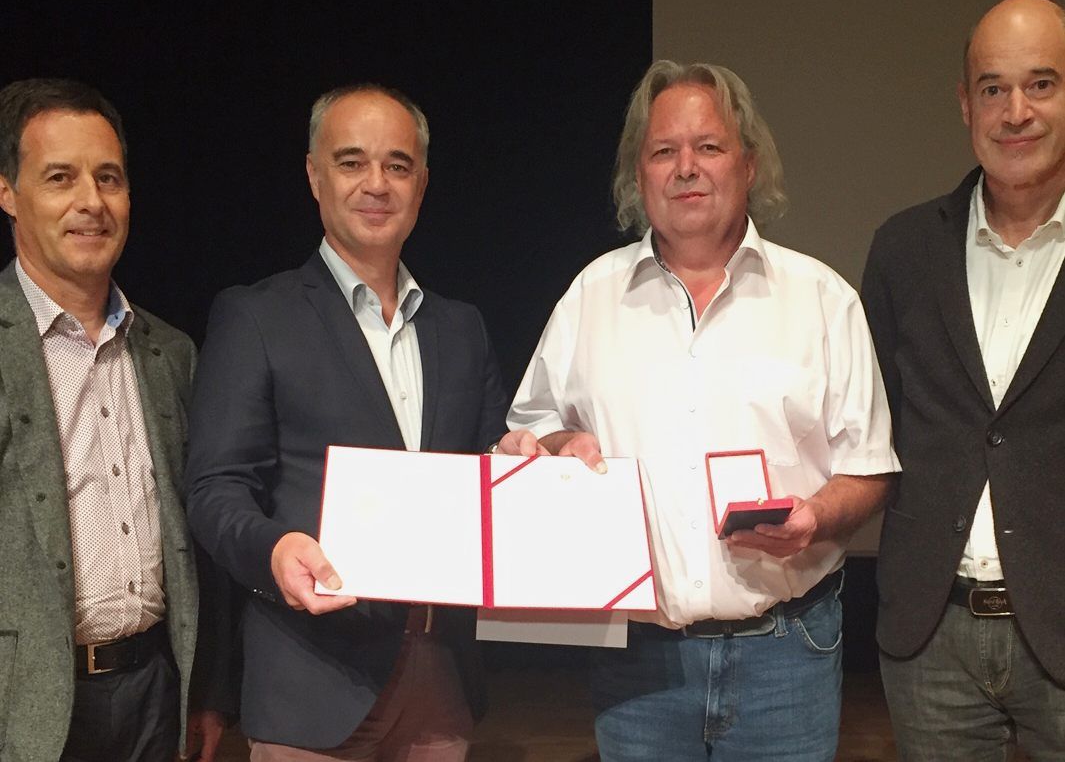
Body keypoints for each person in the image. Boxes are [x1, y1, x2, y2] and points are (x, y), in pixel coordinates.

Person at [498, 60, 899, 761]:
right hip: (639, 660)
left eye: (708, 146)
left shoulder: (822, 299)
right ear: (640, 174)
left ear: (748, 164)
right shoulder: (590, 296)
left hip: (789, 653)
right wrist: (556, 447)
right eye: (663, 151)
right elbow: (531, 430)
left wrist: (814, 518)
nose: (686, 167)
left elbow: (869, 470)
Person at [184, 84, 509, 760]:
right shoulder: (257, 316)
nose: (376, 184)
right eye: (352, 161)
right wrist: (274, 551)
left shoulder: (462, 328)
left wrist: (532, 458)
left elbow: (486, 474)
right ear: (314, 175)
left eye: (397, 165)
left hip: (440, 679)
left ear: (422, 183)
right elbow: (215, 488)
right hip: (310, 677)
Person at [0, 78, 231, 761]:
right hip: (22, 706)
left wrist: (207, 687)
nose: (91, 202)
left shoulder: (171, 353)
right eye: (60, 177)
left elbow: (201, 539)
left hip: (155, 694)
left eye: (109, 178)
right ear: (8, 191)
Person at [862, 0, 1065, 760]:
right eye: (992, 88)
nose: (1015, 112)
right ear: (963, 104)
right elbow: (866, 425)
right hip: (932, 638)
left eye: (1040, 84)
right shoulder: (903, 250)